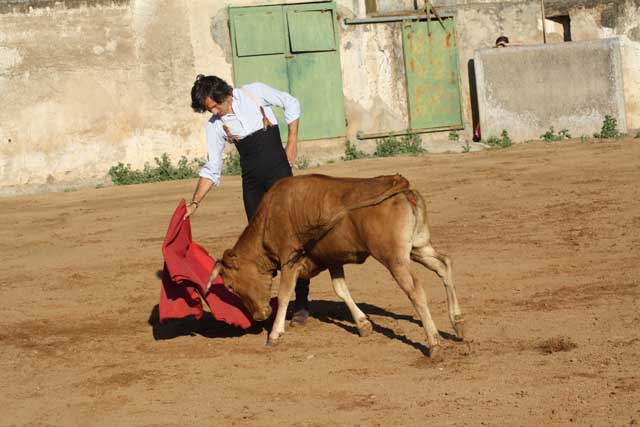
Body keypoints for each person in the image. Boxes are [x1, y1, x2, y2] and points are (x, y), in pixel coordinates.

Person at [186, 75, 310, 326]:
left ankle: (302, 303)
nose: (213, 112)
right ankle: (266, 302)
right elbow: (212, 168)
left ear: (225, 95)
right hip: (252, 187)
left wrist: (292, 141)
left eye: (213, 106)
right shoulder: (215, 126)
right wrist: (195, 202)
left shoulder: (255, 93)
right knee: (261, 246)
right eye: (209, 109)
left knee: (295, 240)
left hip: (281, 180)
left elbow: (291, 103)